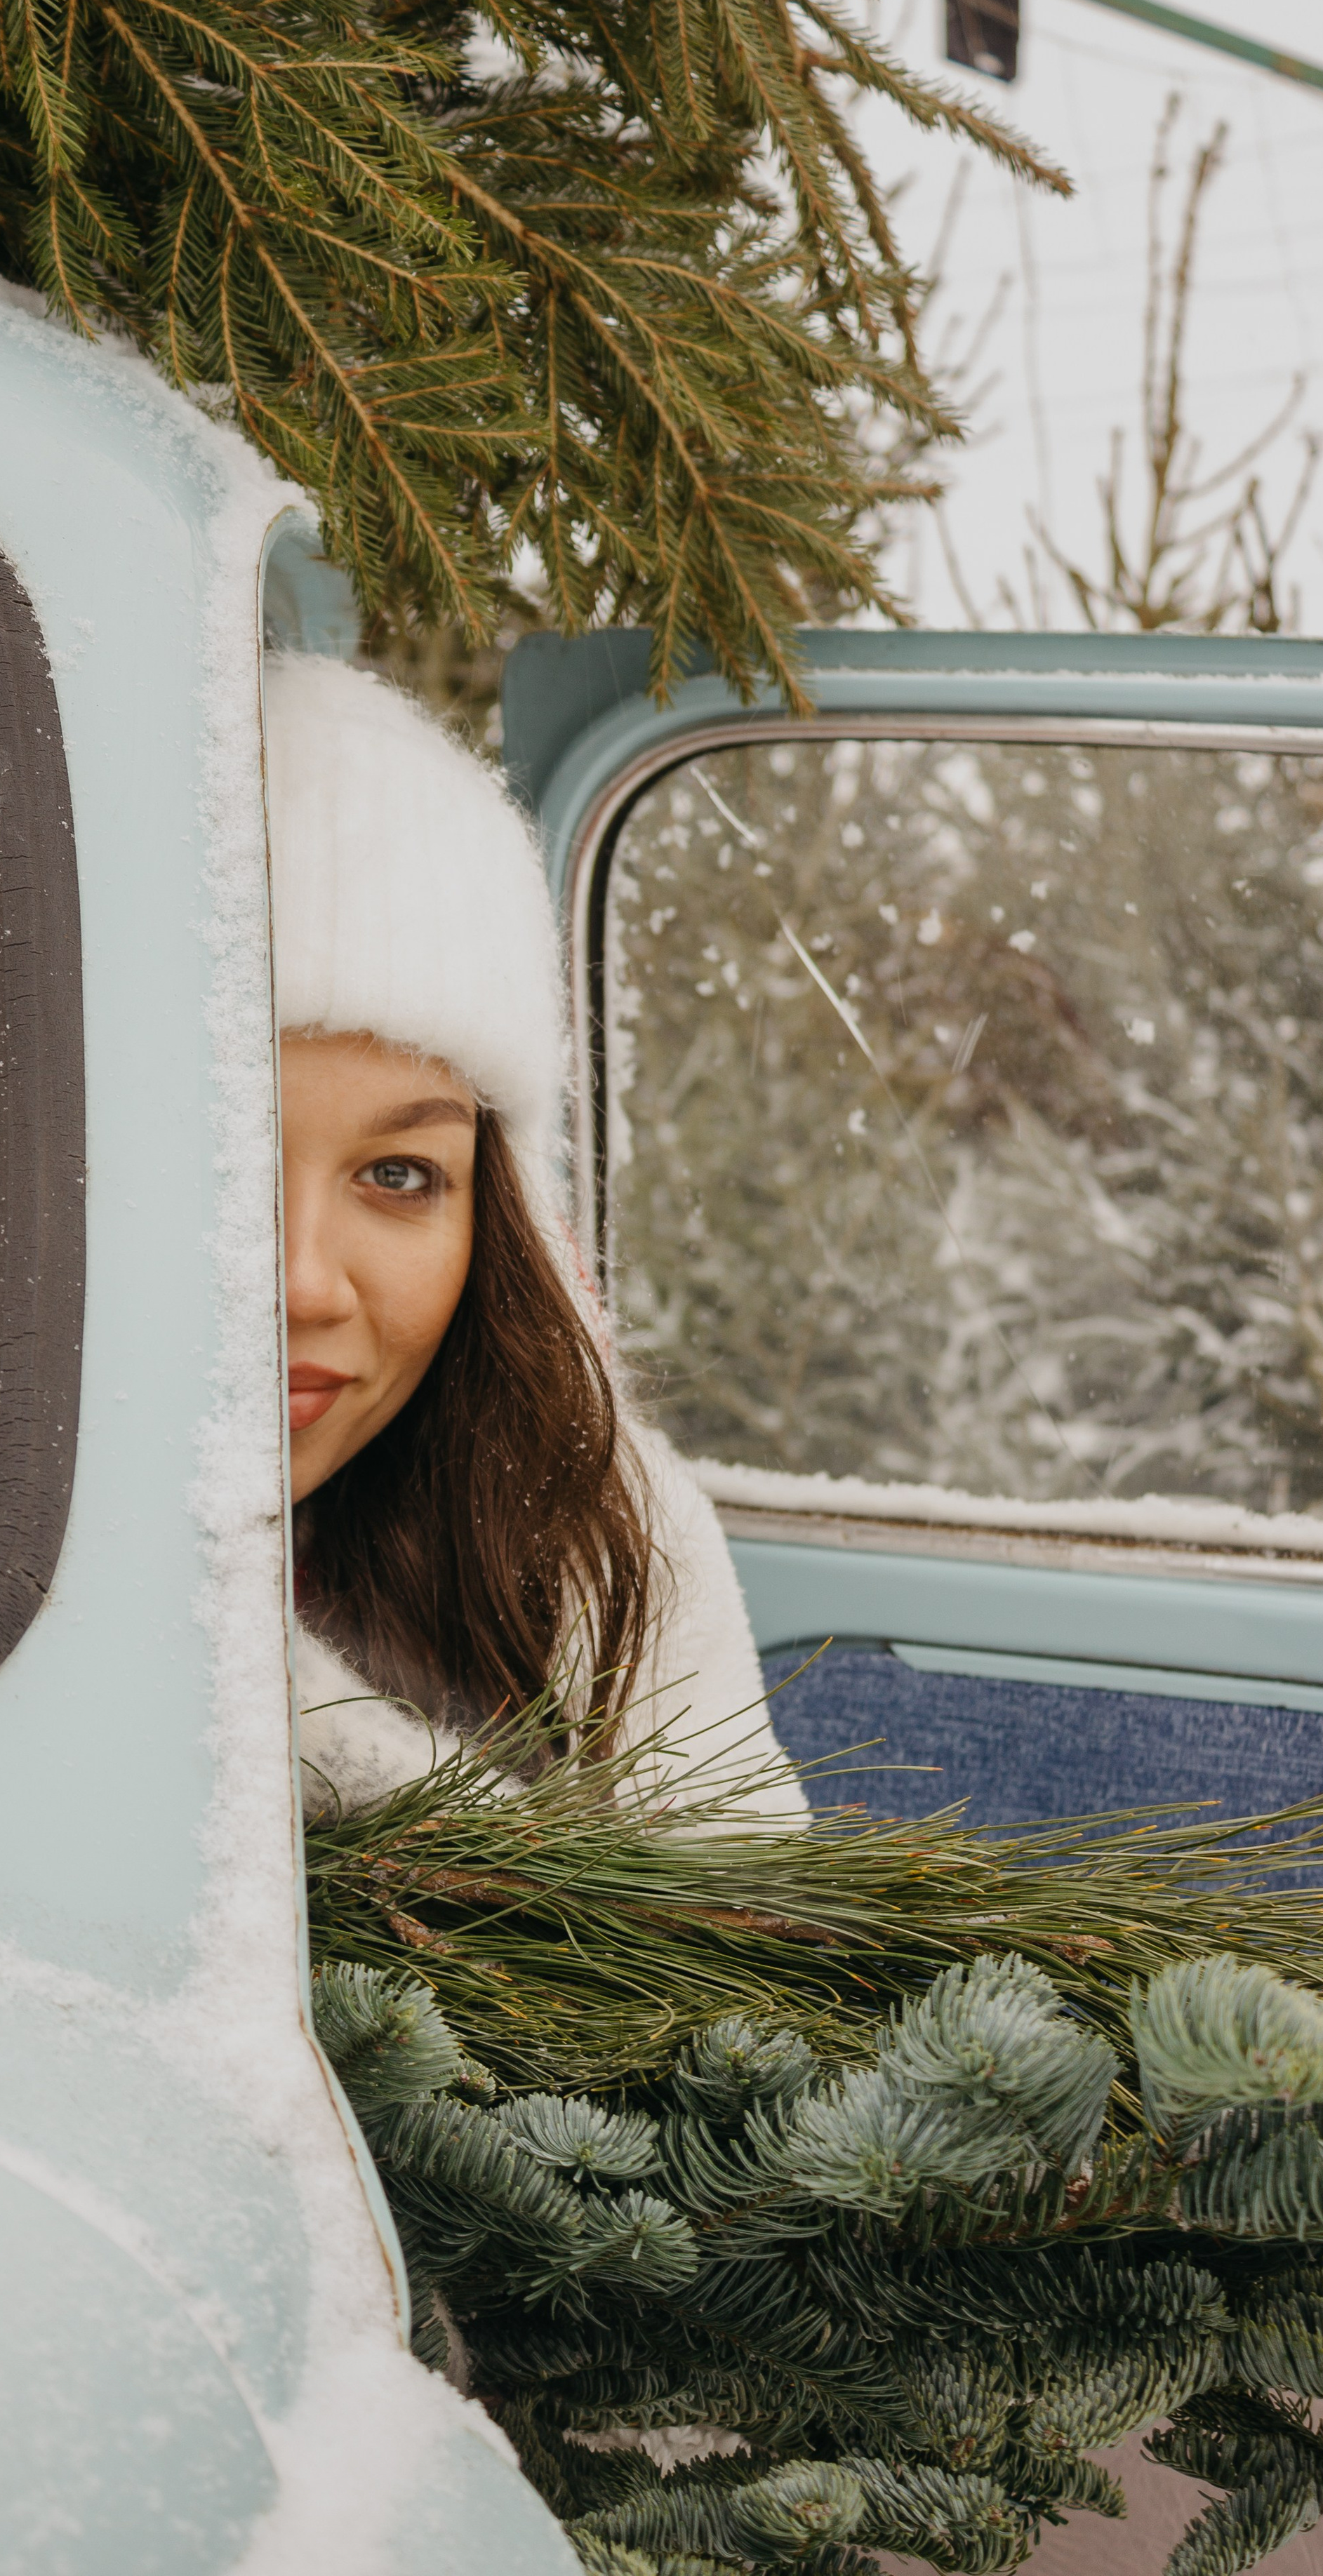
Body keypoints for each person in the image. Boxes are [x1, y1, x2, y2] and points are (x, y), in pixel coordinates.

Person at [266, 653, 806, 1826]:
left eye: (400, 1174)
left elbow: (738, 1936)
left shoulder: (595, 1536)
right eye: (222, 1164)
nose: (304, 1283)